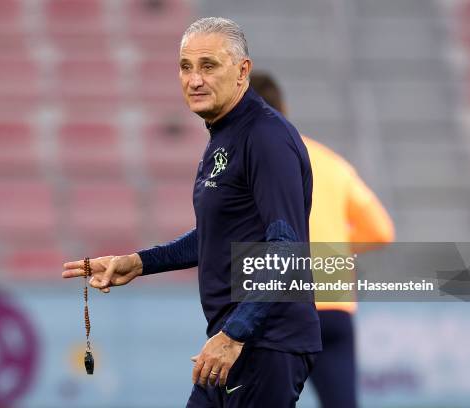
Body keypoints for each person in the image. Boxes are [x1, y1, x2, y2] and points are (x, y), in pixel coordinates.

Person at [63, 18, 321, 407]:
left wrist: (236, 334)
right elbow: (216, 235)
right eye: (186, 67)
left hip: (264, 343)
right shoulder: (226, 134)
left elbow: (286, 249)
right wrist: (138, 262)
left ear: (242, 71)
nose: (194, 79)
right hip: (232, 344)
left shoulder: (265, 137)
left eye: (208, 65)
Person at [250, 72, 395, 408]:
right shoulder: (332, 162)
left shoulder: (248, 161)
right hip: (334, 306)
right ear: (284, 107)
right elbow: (381, 231)